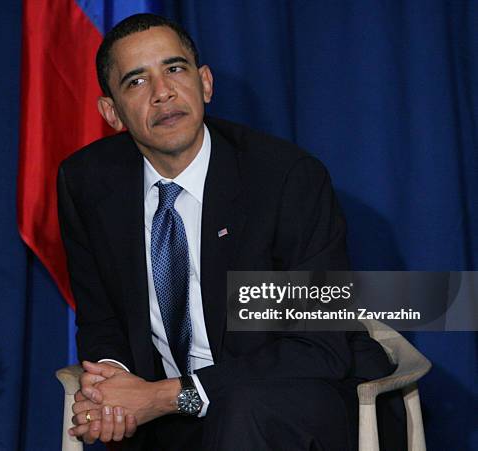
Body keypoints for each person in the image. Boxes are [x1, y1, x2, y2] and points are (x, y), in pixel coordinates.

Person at [57, 13, 405, 451]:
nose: (163, 92)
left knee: (244, 409)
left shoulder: (286, 179)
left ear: (205, 83)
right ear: (111, 112)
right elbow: (101, 318)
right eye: (136, 82)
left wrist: (166, 396)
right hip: (167, 422)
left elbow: (316, 346)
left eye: (175, 69)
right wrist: (111, 388)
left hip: (293, 400)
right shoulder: (87, 182)